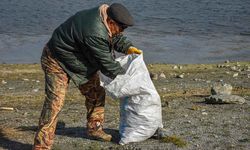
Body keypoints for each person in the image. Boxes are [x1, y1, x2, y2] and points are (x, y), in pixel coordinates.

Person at [33, 3, 142, 150]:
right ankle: (41, 146)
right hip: (56, 61)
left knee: (96, 93)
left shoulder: (105, 18)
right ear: (111, 22)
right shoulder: (95, 31)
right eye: (122, 28)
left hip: (80, 61)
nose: (123, 31)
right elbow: (107, 64)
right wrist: (130, 77)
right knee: (55, 103)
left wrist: (127, 47)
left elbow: (113, 36)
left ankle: (94, 129)